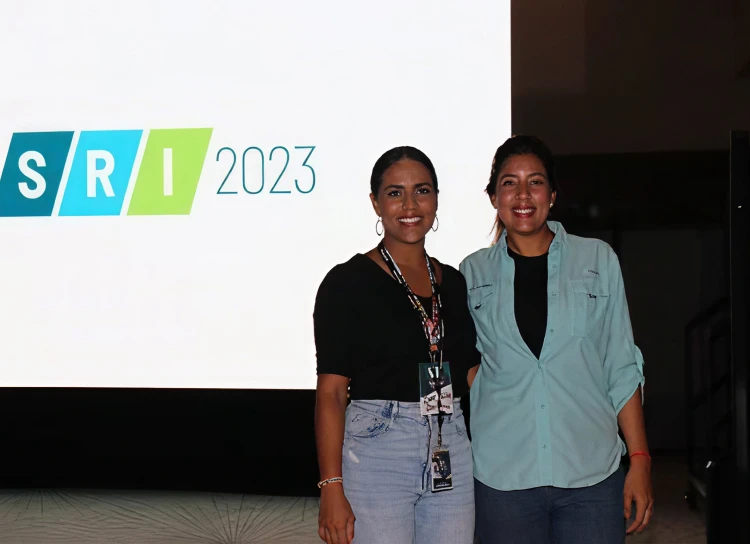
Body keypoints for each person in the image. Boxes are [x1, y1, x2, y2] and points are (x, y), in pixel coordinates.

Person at [460, 135, 654, 544]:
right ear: (493, 197)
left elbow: (621, 364)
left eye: (535, 181)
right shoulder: (471, 272)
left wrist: (639, 459)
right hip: (502, 480)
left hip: (591, 476)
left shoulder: (597, 259)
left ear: (551, 194)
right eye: (509, 183)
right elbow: (469, 365)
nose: (523, 194)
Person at [313, 146, 480, 544]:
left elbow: (472, 373)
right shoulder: (346, 282)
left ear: (436, 199)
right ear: (375, 202)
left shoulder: (454, 282)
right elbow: (331, 393)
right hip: (378, 449)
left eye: (422, 191)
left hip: (450, 442)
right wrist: (331, 486)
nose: (410, 205)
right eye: (394, 193)